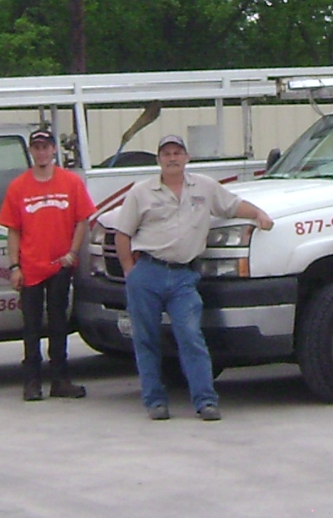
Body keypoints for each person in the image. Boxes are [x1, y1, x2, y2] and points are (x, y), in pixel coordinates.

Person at [107, 137, 273, 420]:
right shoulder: (141, 191)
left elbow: (232, 206)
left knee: (191, 337)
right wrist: (129, 271)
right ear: (158, 159)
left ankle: (206, 400)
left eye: (177, 153)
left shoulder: (205, 187)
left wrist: (258, 214)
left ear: (187, 157)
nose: (172, 158)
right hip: (147, 272)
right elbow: (122, 234)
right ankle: (155, 401)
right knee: (146, 339)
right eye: (166, 154)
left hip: (184, 276)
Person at [0, 127, 94, 401]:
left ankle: (60, 379)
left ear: (54, 150)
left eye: (46, 147)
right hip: (30, 266)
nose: (41, 152)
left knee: (58, 323)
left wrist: (72, 253)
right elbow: (13, 229)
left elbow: (82, 219)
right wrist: (14, 266)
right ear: (31, 151)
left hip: (60, 266)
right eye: (36, 147)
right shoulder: (18, 186)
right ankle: (31, 382)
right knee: (31, 326)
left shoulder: (71, 183)